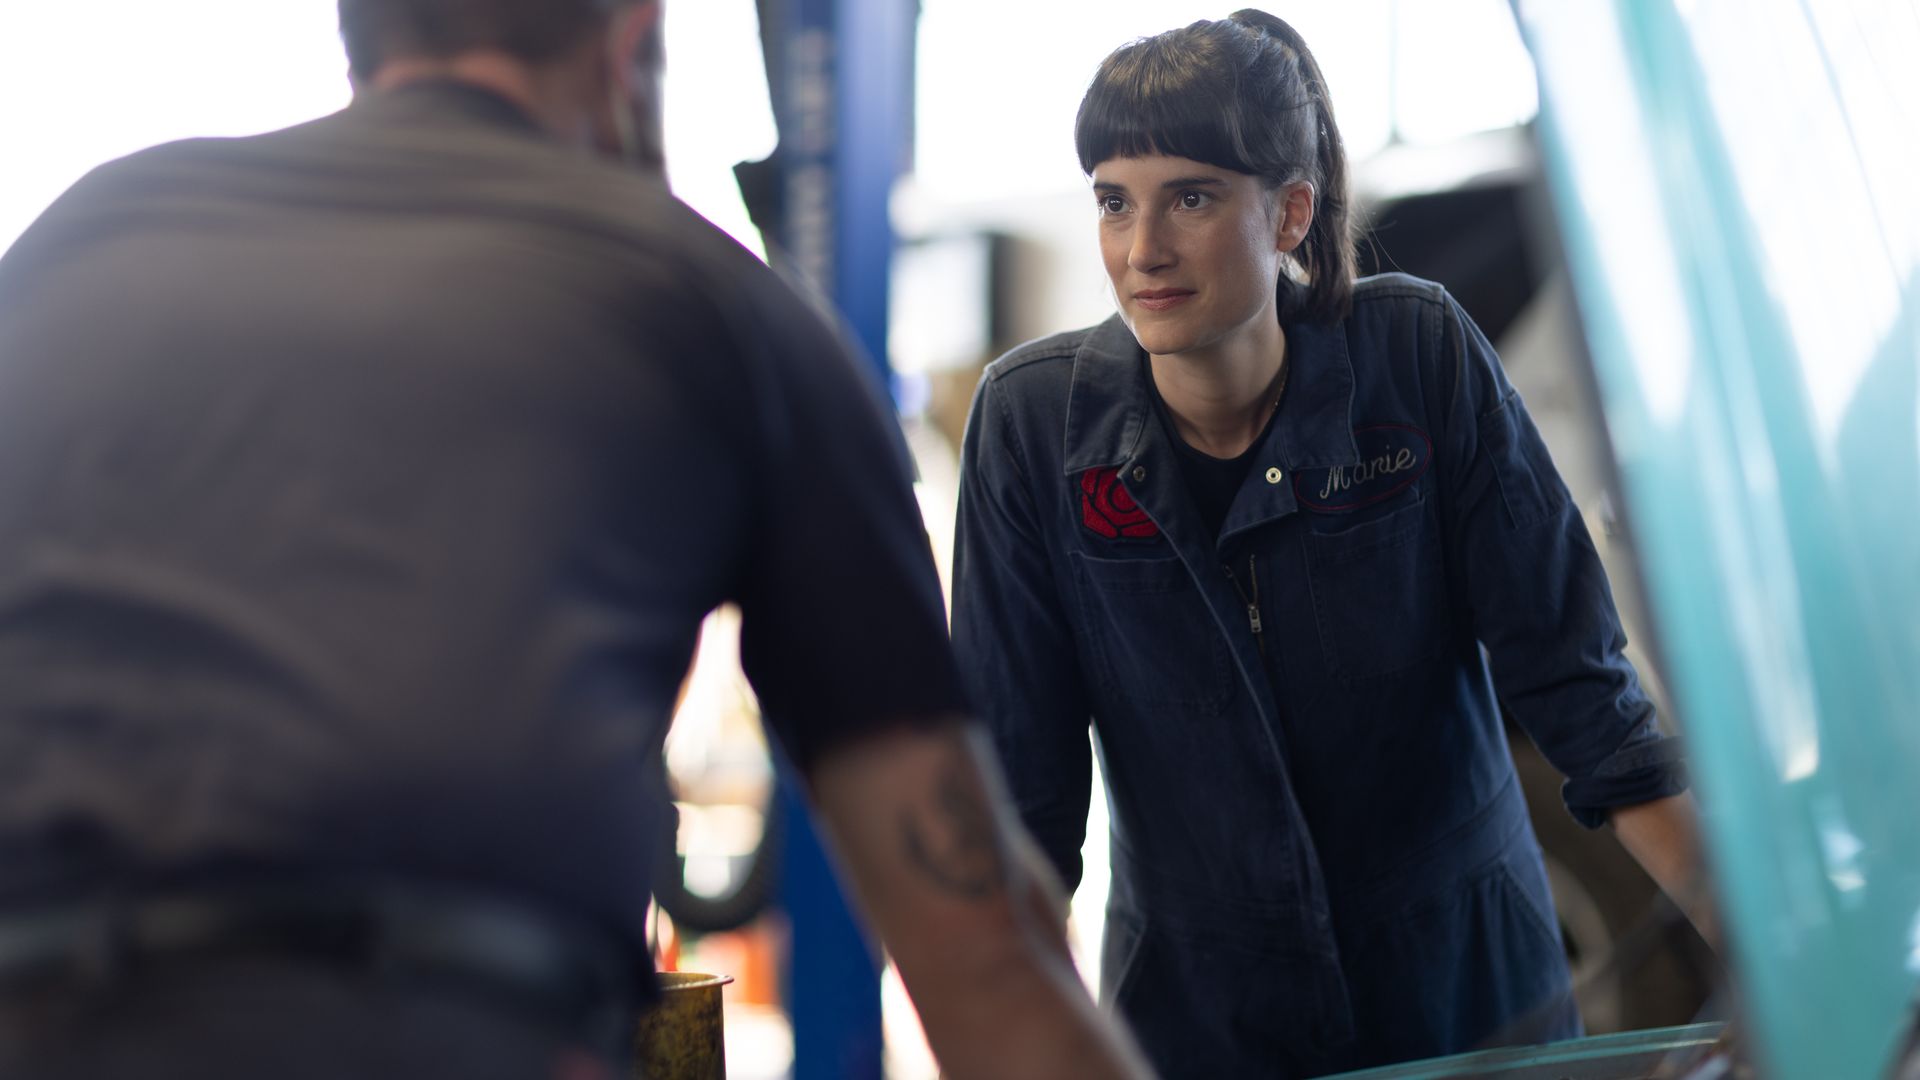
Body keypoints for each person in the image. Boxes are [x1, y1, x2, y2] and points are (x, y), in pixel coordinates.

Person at [0, 2, 1155, 1078]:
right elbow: (979, 957)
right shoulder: (708, 303)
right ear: (633, 38)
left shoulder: (81, 239)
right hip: (433, 1027)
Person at [951, 11, 1714, 1077]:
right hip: (1197, 1026)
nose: (1142, 250)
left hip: (1470, 1009)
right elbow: (1019, 811)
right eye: (1114, 202)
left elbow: (1588, 698)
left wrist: (1781, 975)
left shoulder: (1419, 357)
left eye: (1193, 197)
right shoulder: (1035, 427)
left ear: (1291, 212)